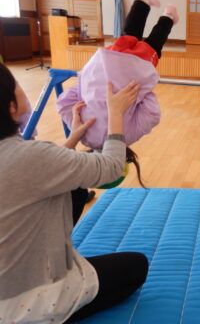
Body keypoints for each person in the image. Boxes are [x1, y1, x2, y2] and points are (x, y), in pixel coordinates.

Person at [0, 63, 149, 322]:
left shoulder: (23, 156)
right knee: (136, 266)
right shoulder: (30, 156)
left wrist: (72, 139)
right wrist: (116, 113)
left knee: (75, 191)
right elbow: (112, 168)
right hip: (21, 304)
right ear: (10, 106)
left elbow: (31, 174)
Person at [56, 0, 179, 186]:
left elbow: (152, 114)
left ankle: (169, 15)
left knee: (153, 45)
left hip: (134, 71)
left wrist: (144, 91)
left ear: (124, 159)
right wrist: (84, 87)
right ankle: (142, 0)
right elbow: (63, 102)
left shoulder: (127, 136)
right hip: (102, 64)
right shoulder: (81, 133)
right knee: (128, 36)